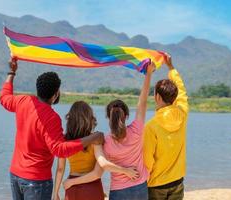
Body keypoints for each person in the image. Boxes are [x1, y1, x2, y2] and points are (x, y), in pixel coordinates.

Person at [0, 58, 104, 200]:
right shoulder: (51, 117)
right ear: (55, 94)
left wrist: (12, 72)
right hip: (36, 181)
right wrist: (93, 137)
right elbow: (59, 149)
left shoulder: (23, 101)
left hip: (15, 175)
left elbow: (4, 98)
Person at [64, 62, 155, 200]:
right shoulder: (137, 130)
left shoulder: (105, 140)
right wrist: (148, 74)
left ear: (108, 117)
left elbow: (104, 165)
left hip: (119, 191)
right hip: (139, 186)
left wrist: (124, 171)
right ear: (126, 116)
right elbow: (142, 103)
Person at [52, 101, 139, 200]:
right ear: (90, 119)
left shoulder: (64, 141)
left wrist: (56, 193)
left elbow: (60, 169)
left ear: (70, 119)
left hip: (72, 187)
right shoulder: (95, 139)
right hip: (92, 187)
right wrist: (126, 171)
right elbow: (99, 171)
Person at [143, 55, 189, 200]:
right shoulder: (183, 112)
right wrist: (171, 68)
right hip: (178, 180)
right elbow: (181, 90)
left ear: (157, 97)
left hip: (157, 184)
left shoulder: (151, 126)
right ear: (174, 97)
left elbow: (147, 160)